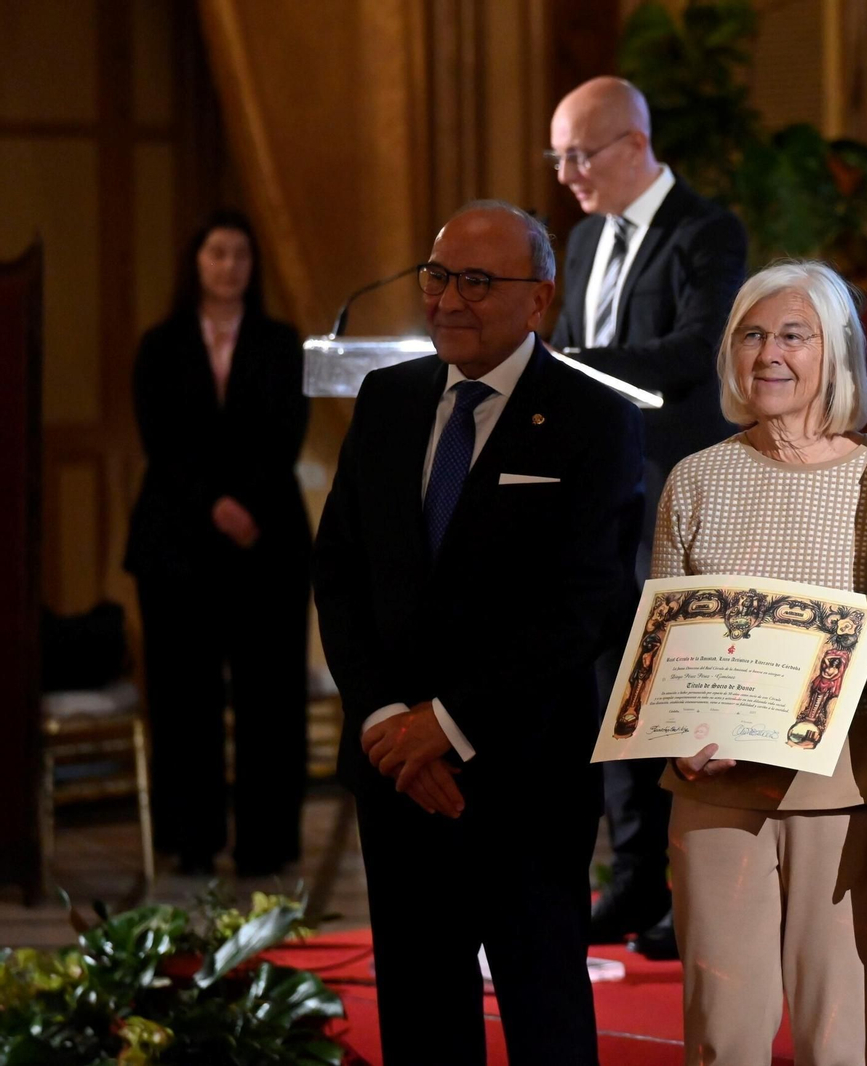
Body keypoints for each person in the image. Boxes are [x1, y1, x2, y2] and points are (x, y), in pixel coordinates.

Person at [313, 201, 643, 1066]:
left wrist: (449, 725)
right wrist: (389, 719)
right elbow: (341, 573)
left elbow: (586, 605)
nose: (447, 300)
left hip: (524, 777)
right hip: (395, 775)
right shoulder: (387, 401)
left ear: (540, 298)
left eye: (476, 281)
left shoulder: (593, 419)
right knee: (421, 1019)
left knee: (545, 1020)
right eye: (437, 275)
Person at [655, 261, 867, 1065]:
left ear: (836, 352)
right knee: (722, 1038)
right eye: (751, 335)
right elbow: (664, 648)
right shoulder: (694, 479)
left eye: (792, 335)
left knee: (838, 1041)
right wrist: (676, 730)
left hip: (849, 791)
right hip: (715, 785)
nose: (768, 353)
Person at [546, 75, 749, 956]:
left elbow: (689, 355)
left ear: (634, 144)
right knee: (608, 686)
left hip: (676, 491)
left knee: (671, 687)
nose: (566, 175)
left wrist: (565, 366)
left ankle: (684, 882)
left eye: (579, 155)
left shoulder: (706, 231)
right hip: (596, 498)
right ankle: (630, 877)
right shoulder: (586, 240)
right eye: (556, 158)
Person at [125, 208, 310, 878]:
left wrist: (248, 506)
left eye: (240, 255)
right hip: (178, 540)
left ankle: (266, 841)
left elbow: (287, 430)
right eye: (217, 254)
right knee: (183, 697)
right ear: (195, 263)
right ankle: (191, 837)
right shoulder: (161, 343)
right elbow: (162, 438)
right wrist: (213, 503)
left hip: (267, 543)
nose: (229, 266)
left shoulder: (282, 341)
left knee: (269, 696)